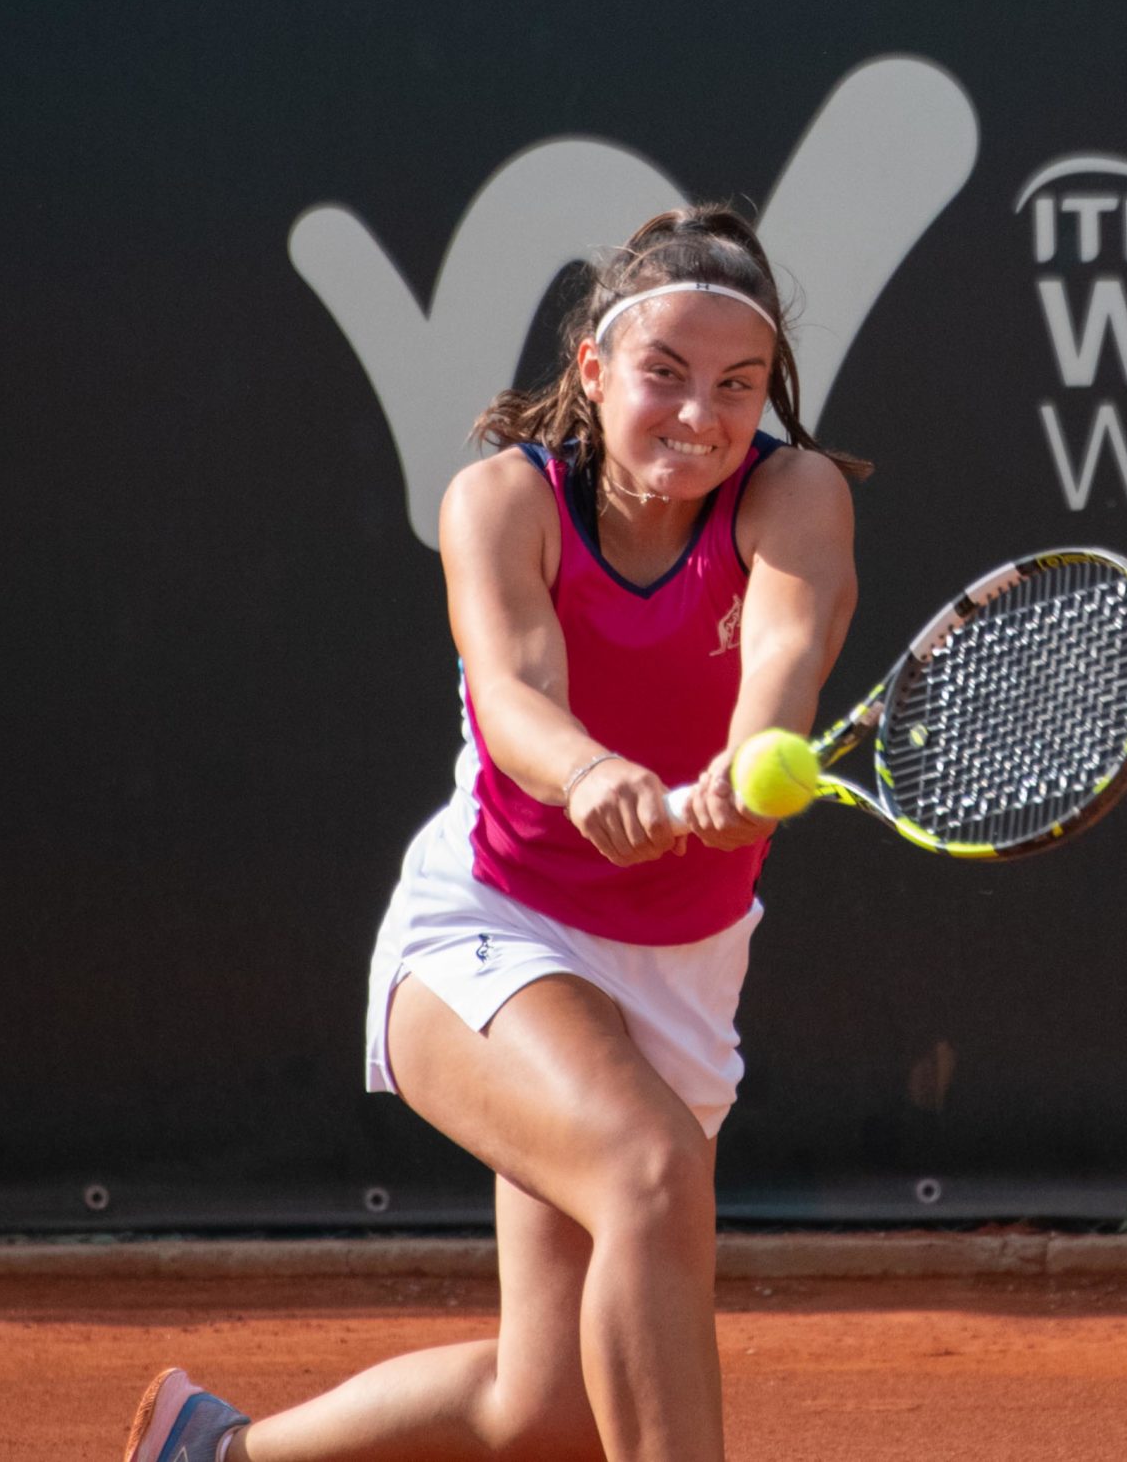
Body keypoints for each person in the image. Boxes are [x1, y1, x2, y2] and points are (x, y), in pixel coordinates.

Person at [124, 205, 864, 1462]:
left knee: (549, 1408)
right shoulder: (500, 501)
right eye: (665, 375)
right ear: (592, 369)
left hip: (681, 970)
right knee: (650, 1171)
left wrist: (742, 768)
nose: (702, 413)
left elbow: (783, 661)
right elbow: (515, 691)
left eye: (738, 386)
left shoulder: (793, 496)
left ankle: (209, 1454)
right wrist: (591, 778)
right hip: (491, 934)